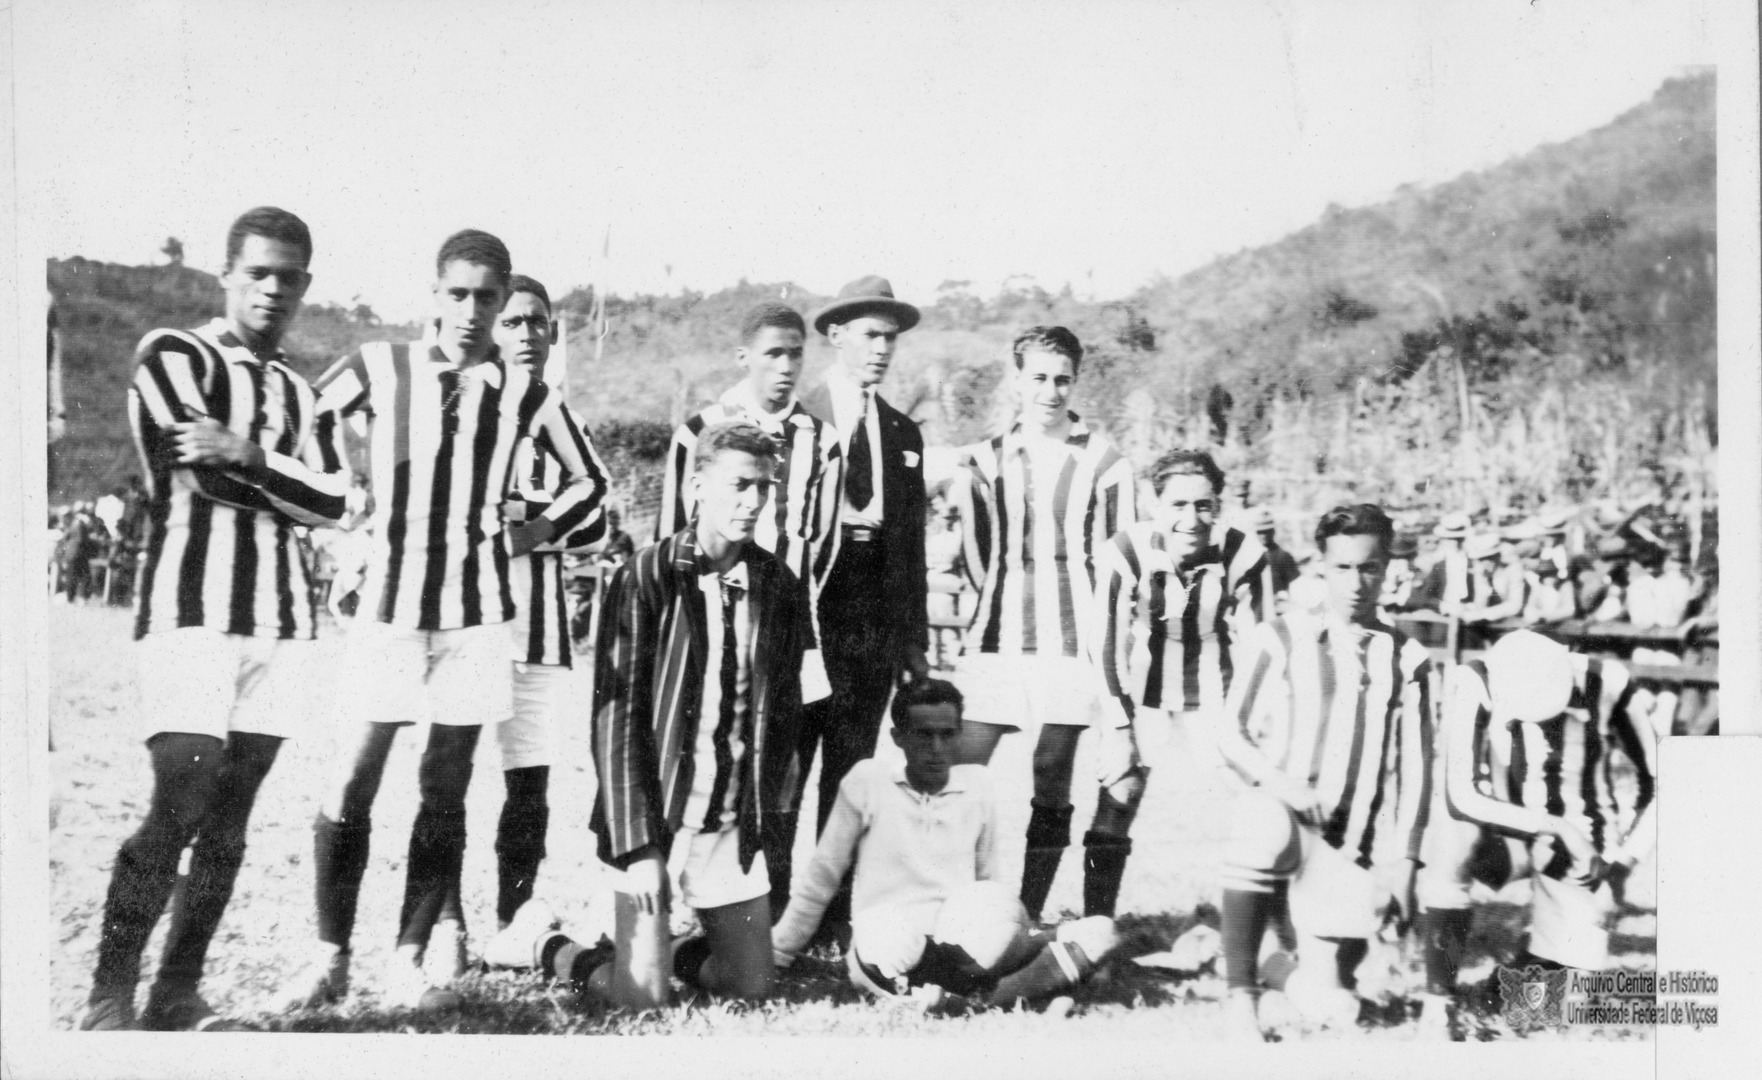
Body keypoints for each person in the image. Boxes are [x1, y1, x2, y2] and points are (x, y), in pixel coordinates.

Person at [294, 230, 608, 1014]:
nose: (472, 311)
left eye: (486, 298)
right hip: (390, 605)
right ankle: (330, 956)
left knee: (445, 789)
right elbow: (308, 415)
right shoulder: (380, 365)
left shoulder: (523, 393)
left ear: (502, 303)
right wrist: (345, 502)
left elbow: (591, 482)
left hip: (477, 617)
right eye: (458, 294)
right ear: (434, 296)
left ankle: (407, 957)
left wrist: (532, 532)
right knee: (354, 777)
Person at [83, 207, 349, 1031]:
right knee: (183, 797)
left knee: (230, 819)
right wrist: (282, 481)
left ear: (306, 285)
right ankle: (108, 994)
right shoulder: (174, 353)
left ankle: (177, 990)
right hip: (189, 606)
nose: (273, 289)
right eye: (258, 272)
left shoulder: (304, 393)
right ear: (226, 274)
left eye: (289, 277)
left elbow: (336, 502)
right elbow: (201, 474)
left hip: (282, 621)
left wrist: (250, 453)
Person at [578, 419, 816, 1004]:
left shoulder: (779, 584)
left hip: (728, 821)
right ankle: (552, 947)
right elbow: (615, 723)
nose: (753, 501)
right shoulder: (647, 575)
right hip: (657, 821)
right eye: (739, 484)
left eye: (764, 487)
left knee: (752, 987)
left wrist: (765, 814)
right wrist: (638, 849)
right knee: (642, 1002)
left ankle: (675, 950)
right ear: (698, 487)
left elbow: (785, 710)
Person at [1212, 504, 1433, 1041]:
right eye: (1343, 568)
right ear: (1321, 567)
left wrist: (1405, 864)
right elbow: (1230, 733)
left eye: (1369, 568)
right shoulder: (1281, 637)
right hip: (1285, 823)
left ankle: (1268, 962)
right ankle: (1241, 1000)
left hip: (1345, 847)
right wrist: (1282, 785)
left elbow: (1417, 769)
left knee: (1333, 1003)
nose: (1356, 583)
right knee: (1259, 823)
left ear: (1388, 569)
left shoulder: (1408, 658)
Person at [771, 678, 1119, 1008]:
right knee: (886, 937)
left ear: (959, 734)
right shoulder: (868, 781)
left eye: (947, 735)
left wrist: (1012, 936)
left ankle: (973, 1000)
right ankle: (1013, 985)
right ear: (898, 737)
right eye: (924, 735)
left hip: (965, 945)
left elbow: (988, 884)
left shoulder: (978, 784)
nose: (937, 749)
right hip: (894, 943)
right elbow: (822, 877)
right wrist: (778, 954)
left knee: (1102, 931)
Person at [947, 326, 1139, 922]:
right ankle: (950, 904)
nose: (1050, 391)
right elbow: (976, 553)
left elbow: (1122, 555)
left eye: (1062, 379)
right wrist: (1000, 601)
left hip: (1074, 637)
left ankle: (1026, 916)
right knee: (959, 769)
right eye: (1038, 378)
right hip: (997, 633)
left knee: (1051, 770)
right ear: (1017, 379)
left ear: (1076, 381)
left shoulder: (1106, 463)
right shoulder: (984, 460)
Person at [790, 277, 930, 922]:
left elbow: (911, 543)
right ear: (836, 335)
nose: (881, 349)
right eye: (870, 335)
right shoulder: (798, 416)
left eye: (890, 338)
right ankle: (770, 905)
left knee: (851, 768)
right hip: (811, 600)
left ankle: (831, 911)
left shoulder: (902, 432)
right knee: (789, 761)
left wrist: (912, 639)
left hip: (872, 609)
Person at [1425, 631, 1656, 1022]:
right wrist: (1556, 828)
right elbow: (1460, 795)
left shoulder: (1609, 682)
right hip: (1503, 829)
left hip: (1580, 840)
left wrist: (1621, 866)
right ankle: (1438, 999)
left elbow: (1662, 781)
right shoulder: (1475, 678)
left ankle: (1527, 962)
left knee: (1569, 1004)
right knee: (1454, 836)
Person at [480, 275, 610, 954]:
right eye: (512, 322)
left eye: (538, 322)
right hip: (466, 618)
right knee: (448, 778)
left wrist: (528, 523)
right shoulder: (466, 409)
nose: (527, 335)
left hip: (537, 624)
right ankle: (443, 924)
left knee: (529, 782)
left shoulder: (564, 422)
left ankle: (514, 920)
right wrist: (536, 514)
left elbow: (597, 522)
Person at [1090, 449, 1268, 926]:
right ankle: (1095, 927)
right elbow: (1103, 643)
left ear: (1218, 505)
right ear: (1155, 505)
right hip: (1142, 677)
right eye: (1178, 505)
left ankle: (1271, 927)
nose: (1191, 520)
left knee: (1258, 797)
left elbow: (1262, 648)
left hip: (1214, 680)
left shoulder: (1244, 553)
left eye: (1204, 505)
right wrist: (1119, 730)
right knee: (1119, 792)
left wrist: (1254, 722)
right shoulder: (1125, 550)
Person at [1248, 506, 1300, 611]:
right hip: (1257, 609)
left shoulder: (1284, 556)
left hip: (1279, 609)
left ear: (1273, 531)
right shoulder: (1251, 558)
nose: (1263, 535)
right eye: (1260, 532)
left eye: (1267, 531)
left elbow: (1295, 586)